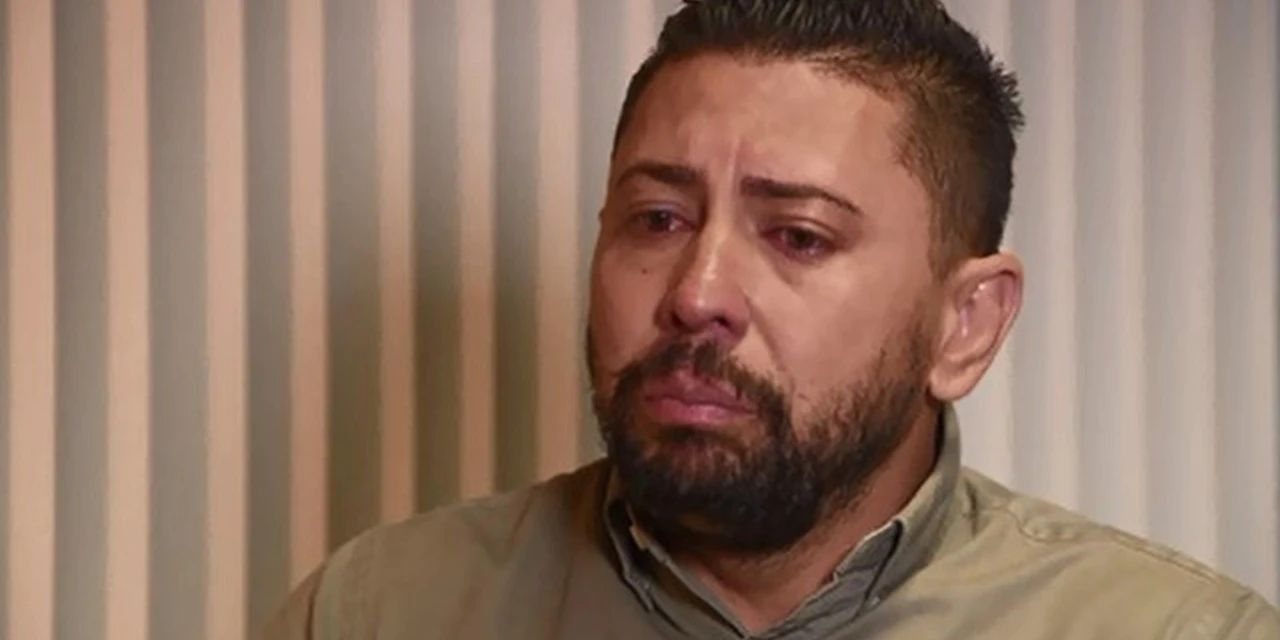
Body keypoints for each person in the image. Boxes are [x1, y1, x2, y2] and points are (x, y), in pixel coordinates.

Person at [260, 1, 1280, 638]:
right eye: (657, 219)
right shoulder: (374, 613)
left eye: (797, 235)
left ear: (964, 323)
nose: (695, 291)